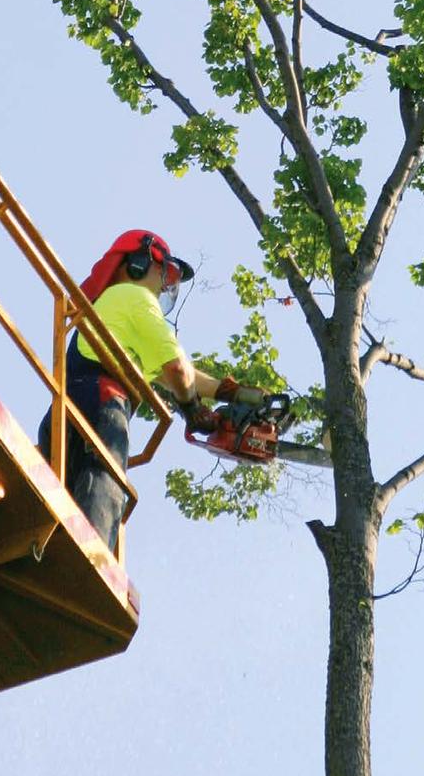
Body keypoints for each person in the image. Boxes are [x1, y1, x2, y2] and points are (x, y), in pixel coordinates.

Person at [38, 229, 262, 552]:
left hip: (62, 415)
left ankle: (51, 556)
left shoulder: (110, 312)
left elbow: (174, 373)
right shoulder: (135, 298)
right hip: (103, 408)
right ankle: (93, 555)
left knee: (58, 500)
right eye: (165, 272)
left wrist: (230, 393)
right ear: (139, 263)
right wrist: (191, 408)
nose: (165, 285)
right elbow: (177, 369)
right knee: (105, 479)